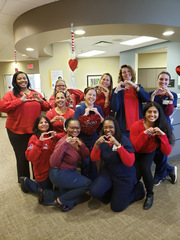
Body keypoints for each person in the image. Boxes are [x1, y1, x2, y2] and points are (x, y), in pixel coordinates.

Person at [0, 71, 50, 182]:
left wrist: (40, 100)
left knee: (36, 155)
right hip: (16, 131)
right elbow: (2, 107)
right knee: (22, 156)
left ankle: (37, 179)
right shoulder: (10, 95)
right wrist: (19, 101)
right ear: (15, 81)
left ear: (28, 80)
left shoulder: (35, 93)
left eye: (24, 78)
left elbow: (47, 107)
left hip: (35, 131)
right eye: (19, 79)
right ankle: (24, 181)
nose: (23, 80)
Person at [89, 117, 145, 212]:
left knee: (116, 207)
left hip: (124, 175)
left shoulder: (124, 140)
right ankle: (115, 192)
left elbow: (130, 162)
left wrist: (118, 145)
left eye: (110, 127)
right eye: (105, 127)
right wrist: (96, 146)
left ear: (116, 128)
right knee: (95, 192)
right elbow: (94, 158)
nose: (107, 130)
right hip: (110, 172)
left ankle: (137, 190)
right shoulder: (103, 140)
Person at [39, 117, 92, 211]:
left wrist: (81, 145)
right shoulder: (62, 142)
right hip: (59, 173)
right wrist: (65, 145)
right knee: (87, 184)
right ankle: (61, 201)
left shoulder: (77, 139)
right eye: (72, 128)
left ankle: (47, 195)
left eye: (77, 128)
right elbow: (53, 162)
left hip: (69, 172)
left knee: (71, 193)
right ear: (66, 128)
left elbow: (86, 155)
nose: (75, 130)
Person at [130, 102, 174, 210]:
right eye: (149, 111)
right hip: (136, 152)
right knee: (135, 175)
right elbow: (135, 147)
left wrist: (162, 136)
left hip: (149, 152)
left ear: (159, 114)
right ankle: (136, 190)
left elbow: (167, 151)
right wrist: (144, 134)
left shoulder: (162, 126)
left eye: (155, 112)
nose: (152, 114)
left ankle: (150, 194)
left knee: (145, 169)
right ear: (145, 114)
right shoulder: (136, 125)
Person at [19, 115, 65, 195]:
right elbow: (30, 157)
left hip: (53, 170)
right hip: (42, 172)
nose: (44, 124)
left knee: (59, 191)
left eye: (46, 122)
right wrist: (39, 142)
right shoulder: (34, 138)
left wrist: (64, 122)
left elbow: (66, 133)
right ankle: (26, 182)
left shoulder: (51, 135)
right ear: (37, 125)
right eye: (41, 123)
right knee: (46, 195)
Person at [149, 71, 178, 186]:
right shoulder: (152, 93)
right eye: (161, 79)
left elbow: (169, 112)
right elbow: (148, 109)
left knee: (162, 153)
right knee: (154, 153)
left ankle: (158, 176)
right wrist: (152, 97)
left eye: (166, 80)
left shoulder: (173, 95)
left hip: (165, 128)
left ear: (169, 82)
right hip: (152, 126)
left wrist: (170, 97)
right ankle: (170, 169)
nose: (163, 82)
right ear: (158, 80)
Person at [111, 64, 150, 138]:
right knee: (126, 148)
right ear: (121, 75)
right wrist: (116, 91)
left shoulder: (138, 88)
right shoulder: (117, 90)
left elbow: (147, 98)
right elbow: (114, 108)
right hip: (123, 128)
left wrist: (135, 86)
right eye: (124, 72)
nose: (126, 73)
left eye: (128, 71)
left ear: (132, 73)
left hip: (138, 126)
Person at [74, 87, 104, 181]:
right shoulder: (79, 108)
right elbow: (76, 125)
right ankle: (84, 182)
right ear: (85, 96)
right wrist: (85, 114)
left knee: (94, 162)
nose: (92, 97)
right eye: (89, 94)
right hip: (82, 140)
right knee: (85, 162)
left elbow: (103, 123)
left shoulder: (98, 108)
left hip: (94, 139)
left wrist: (97, 113)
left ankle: (93, 183)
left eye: (94, 95)